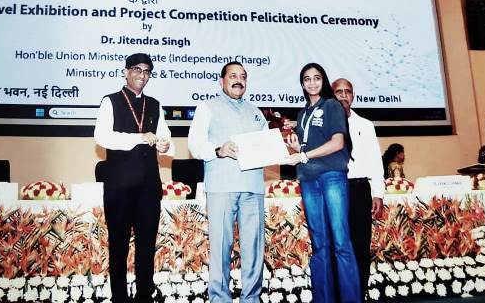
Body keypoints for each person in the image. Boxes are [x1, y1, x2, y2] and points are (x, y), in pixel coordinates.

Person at [93, 53, 174, 303]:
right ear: (126, 72)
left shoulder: (155, 104)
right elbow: (102, 137)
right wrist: (139, 138)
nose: (142, 75)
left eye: (147, 71)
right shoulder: (110, 101)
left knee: (147, 245)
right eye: (137, 69)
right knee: (118, 245)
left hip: (149, 187)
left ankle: (144, 296)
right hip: (119, 186)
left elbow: (166, 139)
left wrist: (164, 145)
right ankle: (119, 297)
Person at [188, 61, 268, 303]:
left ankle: (251, 298)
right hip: (221, 187)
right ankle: (219, 299)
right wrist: (218, 150)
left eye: (242, 76)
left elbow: (267, 148)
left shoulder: (257, 112)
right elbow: (194, 145)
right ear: (221, 80)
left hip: (253, 187)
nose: (238, 80)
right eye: (233, 76)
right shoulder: (207, 108)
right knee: (221, 248)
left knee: (254, 249)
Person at [284, 63, 361, 303]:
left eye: (317, 78)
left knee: (341, 242)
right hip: (308, 179)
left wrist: (304, 155)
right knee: (319, 245)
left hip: (331, 177)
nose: (312, 82)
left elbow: (338, 143)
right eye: (307, 79)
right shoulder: (302, 114)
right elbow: (307, 150)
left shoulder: (332, 105)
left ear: (323, 80)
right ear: (302, 84)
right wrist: (297, 149)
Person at [332, 78, 384, 302]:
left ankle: (359, 294)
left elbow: (375, 162)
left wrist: (378, 193)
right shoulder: (325, 123)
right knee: (337, 245)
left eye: (348, 91)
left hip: (359, 190)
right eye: (339, 91)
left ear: (353, 95)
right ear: (332, 95)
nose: (344, 95)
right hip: (333, 189)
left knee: (361, 245)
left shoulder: (366, 125)